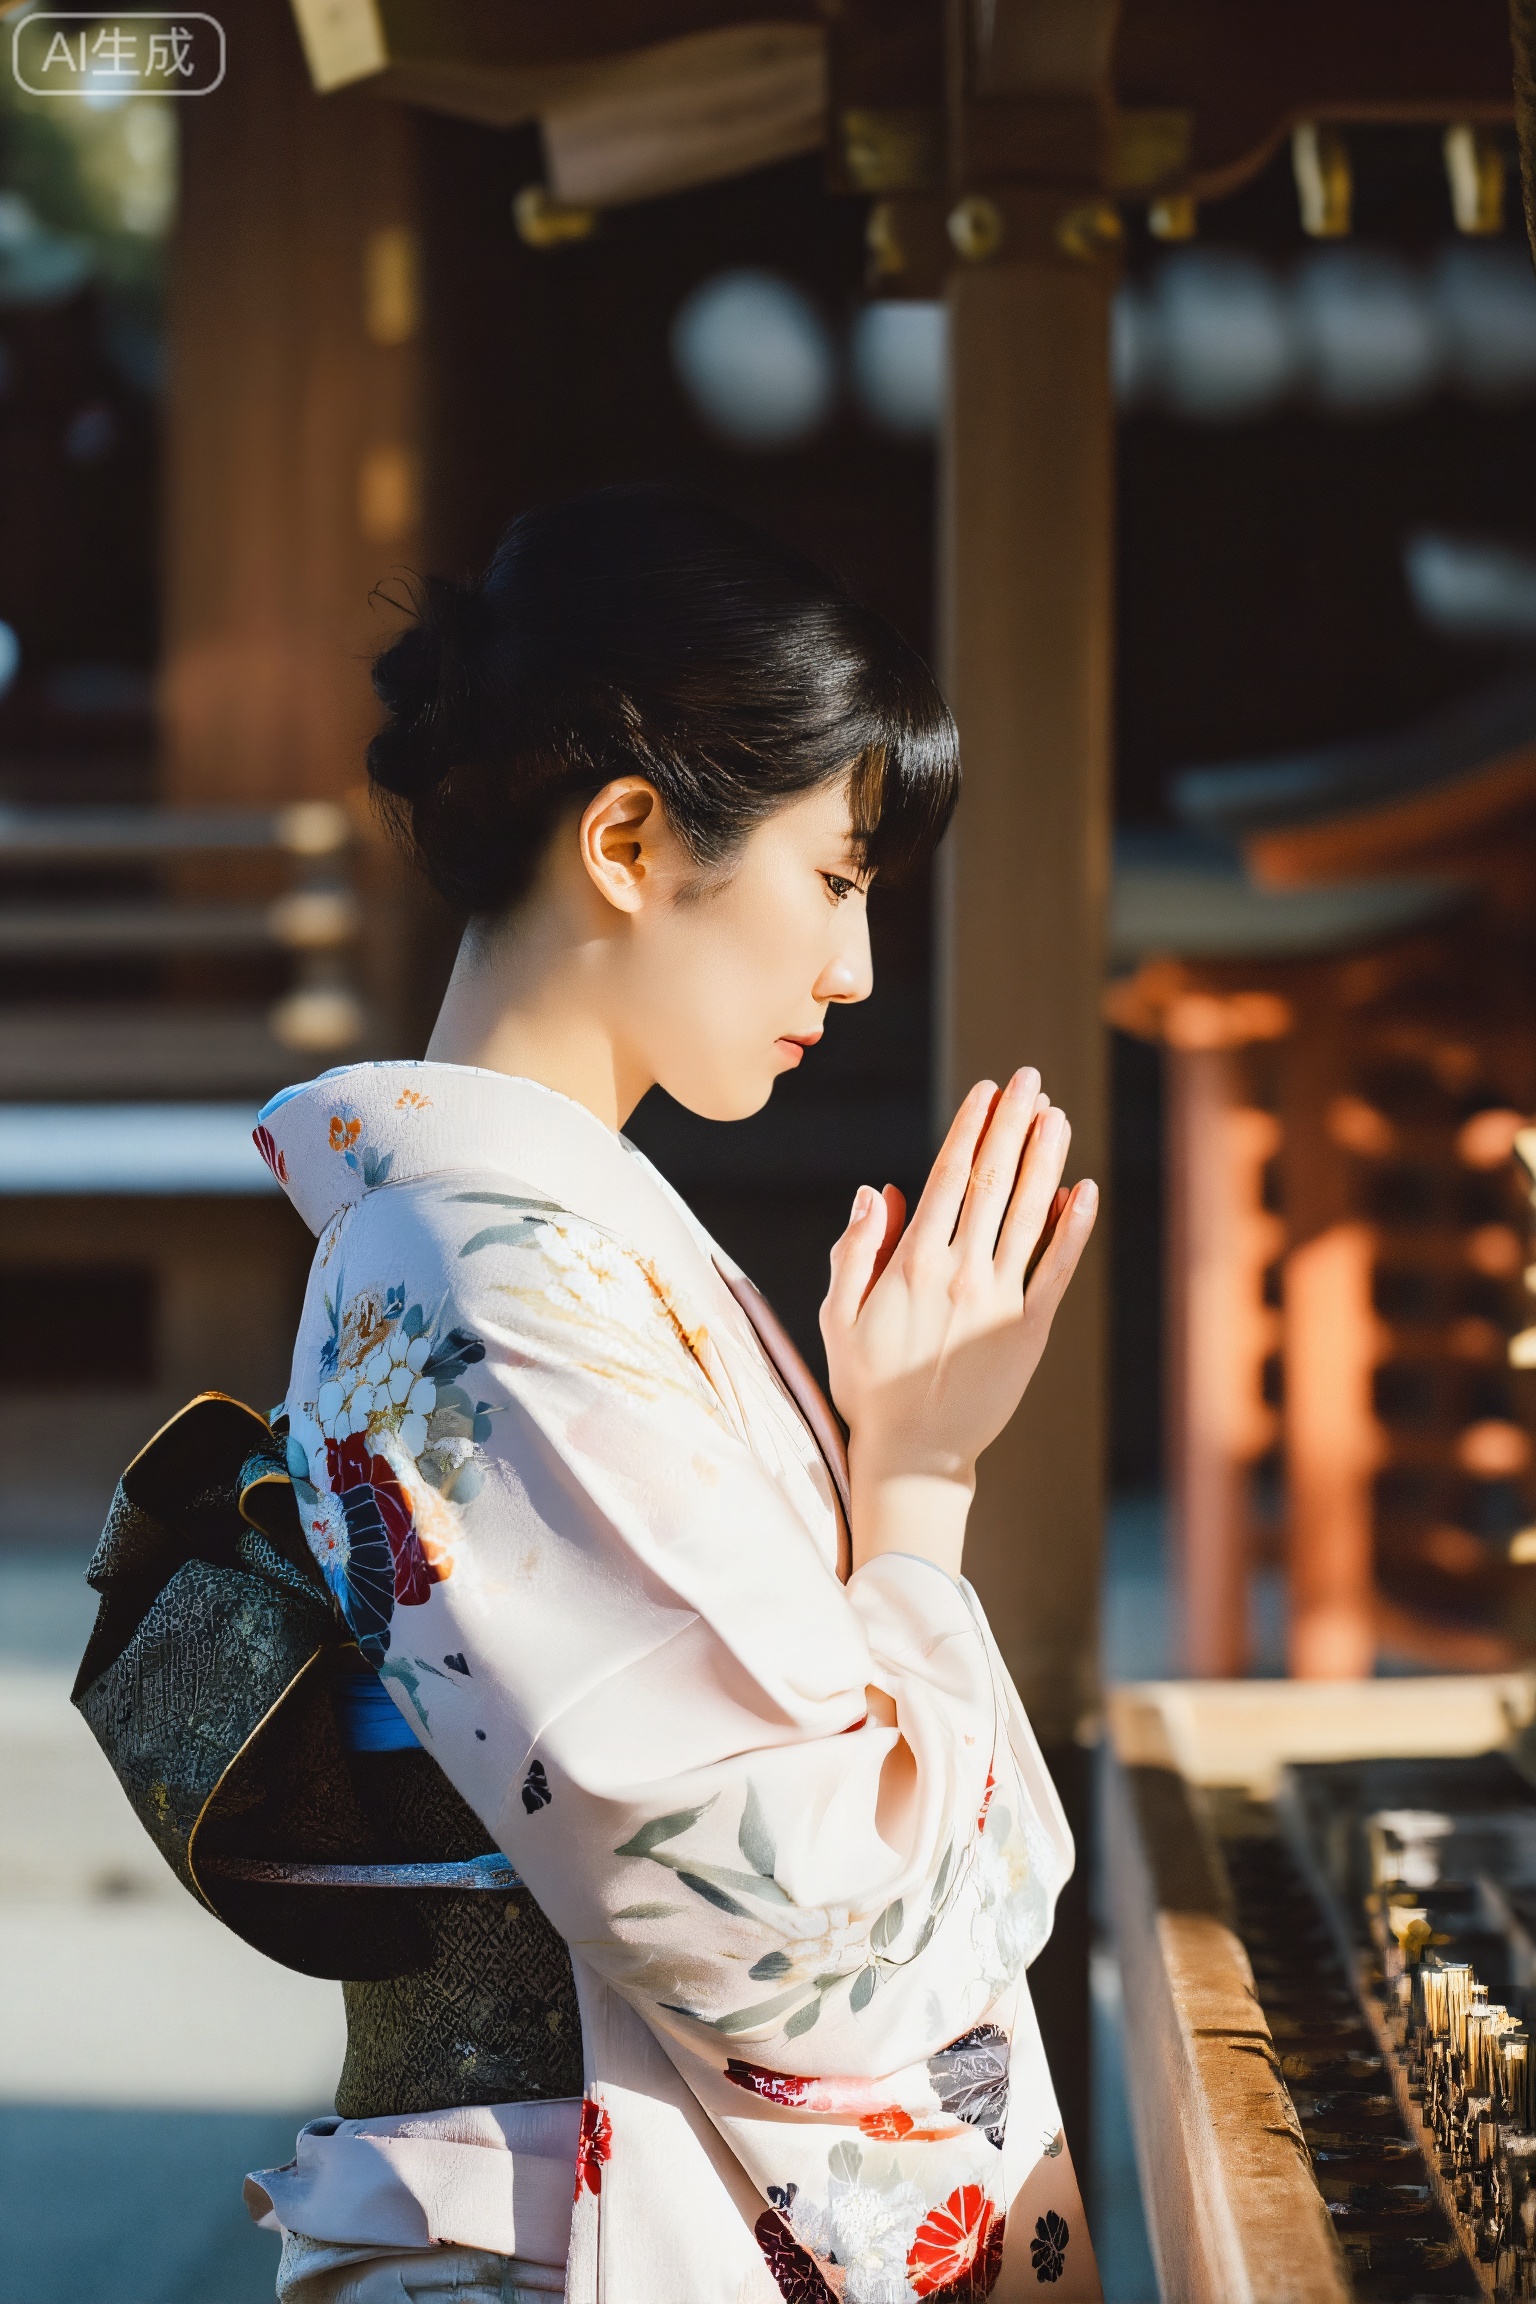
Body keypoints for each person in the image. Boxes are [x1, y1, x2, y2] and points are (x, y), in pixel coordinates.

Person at [244, 486, 1102, 2302]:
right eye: (838, 880)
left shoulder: (524, 1250)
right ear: (630, 839)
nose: (856, 970)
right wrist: (923, 1490)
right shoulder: (486, 1281)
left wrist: (905, 1456)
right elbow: (808, 1939)